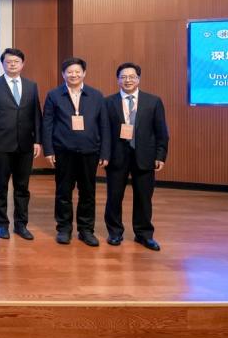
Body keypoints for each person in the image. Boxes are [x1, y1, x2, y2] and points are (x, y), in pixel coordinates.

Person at [42, 57, 109, 246]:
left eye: (77, 71)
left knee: (88, 192)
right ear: (63, 74)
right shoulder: (54, 95)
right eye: (69, 72)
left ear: (84, 73)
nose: (74, 75)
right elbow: (47, 124)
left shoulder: (96, 95)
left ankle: (86, 230)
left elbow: (104, 125)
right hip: (64, 151)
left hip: (90, 151)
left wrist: (104, 152)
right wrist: (49, 150)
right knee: (63, 192)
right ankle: (64, 229)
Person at [103, 62, 169, 251]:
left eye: (132, 77)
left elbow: (161, 131)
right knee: (114, 197)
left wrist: (160, 155)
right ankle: (115, 232)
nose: (128, 80)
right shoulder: (108, 102)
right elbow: (104, 131)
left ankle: (144, 234)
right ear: (118, 80)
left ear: (138, 79)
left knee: (144, 198)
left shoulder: (153, 101)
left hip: (145, 156)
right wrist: (104, 154)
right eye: (123, 77)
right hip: (117, 157)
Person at [0, 47, 43, 241]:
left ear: (22, 64)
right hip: (1, 144)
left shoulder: (31, 86)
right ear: (3, 64)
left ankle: (21, 225)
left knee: (22, 187)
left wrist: (38, 140)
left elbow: (37, 115)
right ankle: (2, 224)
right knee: (0, 186)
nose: (12, 65)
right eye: (8, 62)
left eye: (16, 62)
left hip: (26, 144)